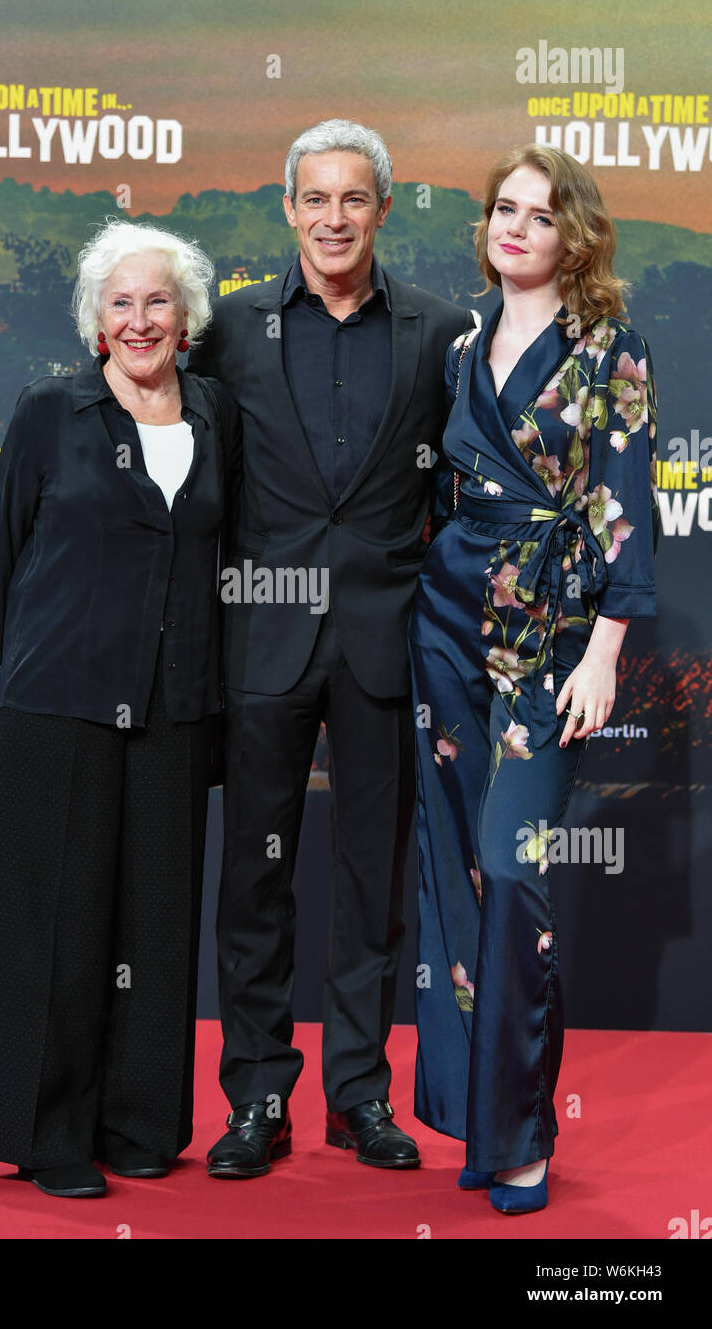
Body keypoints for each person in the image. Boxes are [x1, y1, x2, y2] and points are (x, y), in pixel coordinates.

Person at [187, 118, 473, 1176]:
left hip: (385, 644)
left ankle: (361, 1091)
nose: (334, 217)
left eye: (354, 199)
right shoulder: (230, 330)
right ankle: (256, 1093)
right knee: (253, 880)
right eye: (316, 198)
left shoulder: (441, 331)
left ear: (383, 210)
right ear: (289, 209)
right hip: (259, 635)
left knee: (369, 878)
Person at [0, 220, 237, 1196]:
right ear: (96, 321)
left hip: (174, 707)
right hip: (53, 700)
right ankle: (47, 1130)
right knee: (56, 922)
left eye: (158, 301)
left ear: (185, 316)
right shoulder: (48, 412)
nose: (141, 319)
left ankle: (141, 1120)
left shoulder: (218, 415)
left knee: (155, 924)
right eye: (122, 302)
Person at [409, 145, 659, 1212]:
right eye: (500, 210)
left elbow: (623, 507)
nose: (512, 227)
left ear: (575, 234)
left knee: (514, 873)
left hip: (550, 637)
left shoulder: (610, 349)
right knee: (457, 870)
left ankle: (521, 1132)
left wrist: (604, 649)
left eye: (538, 214)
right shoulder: (462, 341)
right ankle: (472, 1118)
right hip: (446, 623)